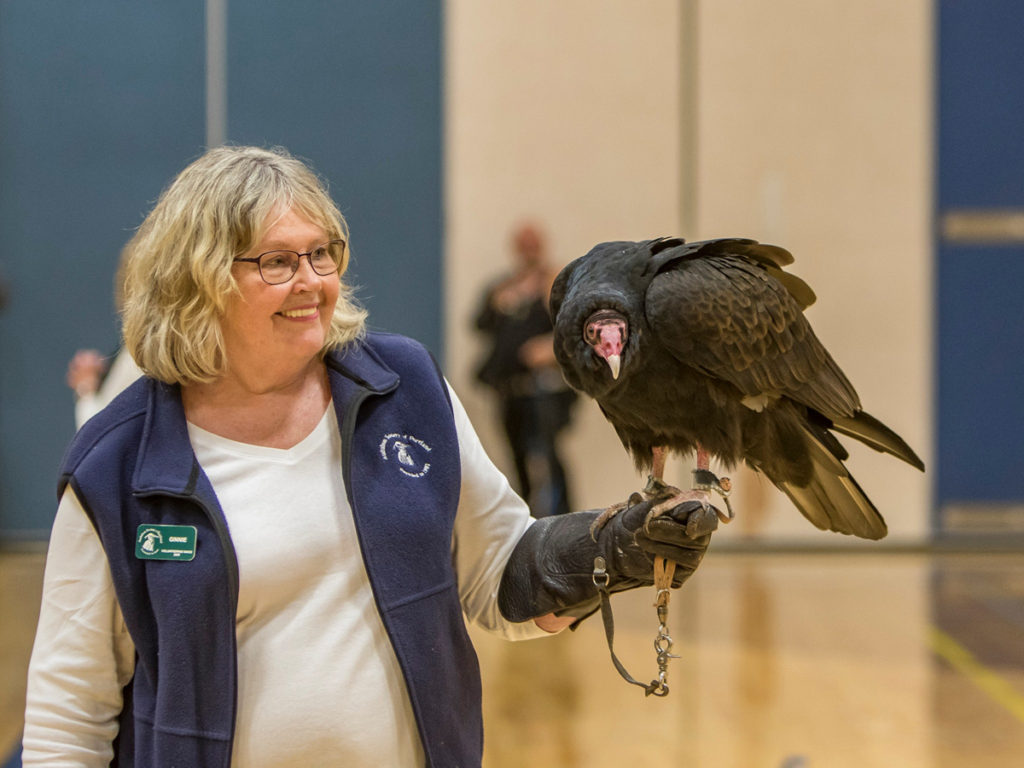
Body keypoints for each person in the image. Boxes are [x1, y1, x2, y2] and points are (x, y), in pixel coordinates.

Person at [22, 146, 717, 768]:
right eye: (277, 261)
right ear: (197, 279)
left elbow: (497, 564)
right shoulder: (116, 462)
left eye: (322, 253)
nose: (312, 280)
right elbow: (68, 720)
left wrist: (611, 548)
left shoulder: (404, 386)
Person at [474, 222, 576, 517]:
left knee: (548, 456)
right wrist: (500, 300)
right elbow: (480, 324)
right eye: (523, 244)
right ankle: (526, 518)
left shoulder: (553, 284)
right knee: (517, 457)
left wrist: (550, 347)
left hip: (544, 389)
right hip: (509, 389)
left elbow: (573, 327)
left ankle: (561, 518)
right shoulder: (504, 286)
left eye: (534, 244)